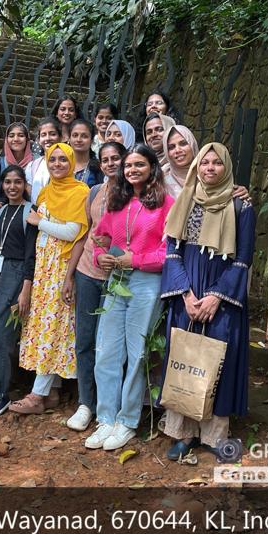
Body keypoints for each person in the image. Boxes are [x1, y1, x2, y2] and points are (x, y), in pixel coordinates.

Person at [160, 143, 256, 459]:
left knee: (218, 362)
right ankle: (184, 434)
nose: (210, 168)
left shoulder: (241, 206)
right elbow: (173, 252)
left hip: (221, 297)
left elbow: (243, 258)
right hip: (188, 294)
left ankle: (214, 436)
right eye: (205, 162)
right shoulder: (186, 201)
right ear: (197, 167)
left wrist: (216, 296)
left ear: (226, 167)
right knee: (185, 359)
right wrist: (186, 295)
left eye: (217, 163)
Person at [85, 145, 174, 451]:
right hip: (116, 282)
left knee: (137, 354)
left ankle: (127, 421)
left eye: (139, 164)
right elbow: (99, 238)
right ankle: (106, 418)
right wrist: (100, 258)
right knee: (107, 351)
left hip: (147, 283)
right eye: (128, 166)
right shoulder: (116, 202)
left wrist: (134, 260)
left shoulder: (166, 204)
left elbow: (169, 253)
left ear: (152, 168)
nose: (132, 170)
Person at [9, 143, 89, 414]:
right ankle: (52, 391)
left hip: (61, 267)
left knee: (53, 326)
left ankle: (36, 395)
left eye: (63, 159)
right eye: (52, 159)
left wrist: (39, 222)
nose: (57, 164)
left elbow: (73, 232)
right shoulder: (45, 191)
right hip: (43, 268)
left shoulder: (80, 191)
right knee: (45, 325)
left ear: (71, 162)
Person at [61, 141, 126, 430]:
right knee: (85, 340)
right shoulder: (95, 192)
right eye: (106, 159)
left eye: (116, 158)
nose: (111, 163)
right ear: (99, 164)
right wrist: (69, 275)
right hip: (88, 271)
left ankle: (107, 406)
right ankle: (85, 403)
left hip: (118, 276)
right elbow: (84, 233)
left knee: (109, 345)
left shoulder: (134, 192)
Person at [0, 165, 37, 419]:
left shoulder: (30, 212)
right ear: (2, 185)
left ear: (25, 185)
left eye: (17, 182)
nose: (12, 187)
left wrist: (26, 288)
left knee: (1, 332)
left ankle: (1, 393)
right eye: (7, 182)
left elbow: (31, 254)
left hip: (15, 271)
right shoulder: (2, 209)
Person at [0, 122, 34, 206]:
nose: (16, 139)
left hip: (33, 210)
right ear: (6, 139)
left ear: (27, 139)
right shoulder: (1, 163)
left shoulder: (36, 162)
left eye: (21, 135)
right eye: (11, 136)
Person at [25, 116, 61, 203]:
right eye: (43, 135)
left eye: (52, 134)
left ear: (60, 137)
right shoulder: (32, 166)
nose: (48, 138)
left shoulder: (67, 164)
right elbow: (29, 193)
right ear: (39, 139)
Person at [162, 125, 199, 197]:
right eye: (171, 147)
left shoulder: (208, 174)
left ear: (192, 145)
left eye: (183, 144)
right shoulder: (162, 182)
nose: (178, 150)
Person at [69, 118, 103, 188]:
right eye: (75, 135)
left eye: (84, 136)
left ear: (91, 140)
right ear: (69, 139)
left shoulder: (99, 168)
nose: (79, 140)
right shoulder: (61, 165)